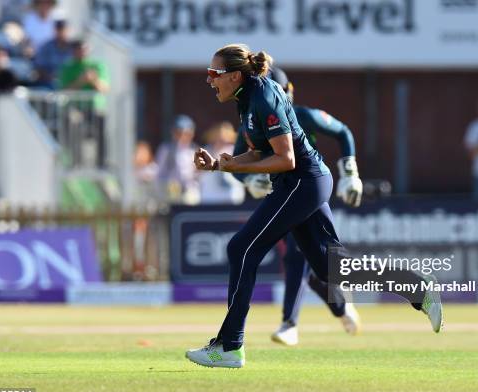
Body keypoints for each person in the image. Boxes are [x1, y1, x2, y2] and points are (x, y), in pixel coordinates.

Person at [186, 44, 442, 368]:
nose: (209, 81)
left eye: (214, 74)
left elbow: (286, 158)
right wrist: (221, 165)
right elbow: (257, 152)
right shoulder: (245, 97)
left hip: (301, 182)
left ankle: (229, 345)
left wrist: (234, 168)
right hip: (303, 182)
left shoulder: (262, 96)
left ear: (235, 75)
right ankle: (418, 287)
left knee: (241, 248)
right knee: (331, 269)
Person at [234, 66, 363, 346]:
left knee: (298, 256)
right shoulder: (251, 118)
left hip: (304, 188)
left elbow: (343, 132)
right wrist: (249, 179)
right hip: (283, 192)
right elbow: (238, 161)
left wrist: (350, 172)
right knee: (320, 264)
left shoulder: (302, 115)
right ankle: (342, 305)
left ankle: (288, 324)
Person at [59, 39, 109, 167]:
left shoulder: (97, 66)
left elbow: (104, 89)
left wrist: (93, 80)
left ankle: (101, 163)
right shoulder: (67, 67)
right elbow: (65, 90)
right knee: (73, 123)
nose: (82, 52)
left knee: (102, 126)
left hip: (95, 107)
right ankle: (77, 161)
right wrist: (81, 81)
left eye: (84, 49)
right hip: (76, 107)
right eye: (79, 49)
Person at [155, 114, 200, 204]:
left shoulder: (196, 151)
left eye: (186, 134)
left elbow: (199, 174)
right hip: (170, 192)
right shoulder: (166, 149)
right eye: (179, 133)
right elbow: (159, 173)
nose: (182, 137)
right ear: (173, 133)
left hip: (190, 191)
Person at [199, 121, 245, 204]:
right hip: (209, 198)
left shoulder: (236, 151)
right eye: (218, 138)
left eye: (224, 138)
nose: (221, 140)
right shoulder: (205, 151)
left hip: (231, 198)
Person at [33, 18, 72, 88]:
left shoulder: (74, 47)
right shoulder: (46, 47)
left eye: (63, 29)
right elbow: (39, 67)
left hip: (70, 83)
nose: (61, 32)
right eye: (58, 29)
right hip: (48, 83)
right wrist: (51, 77)